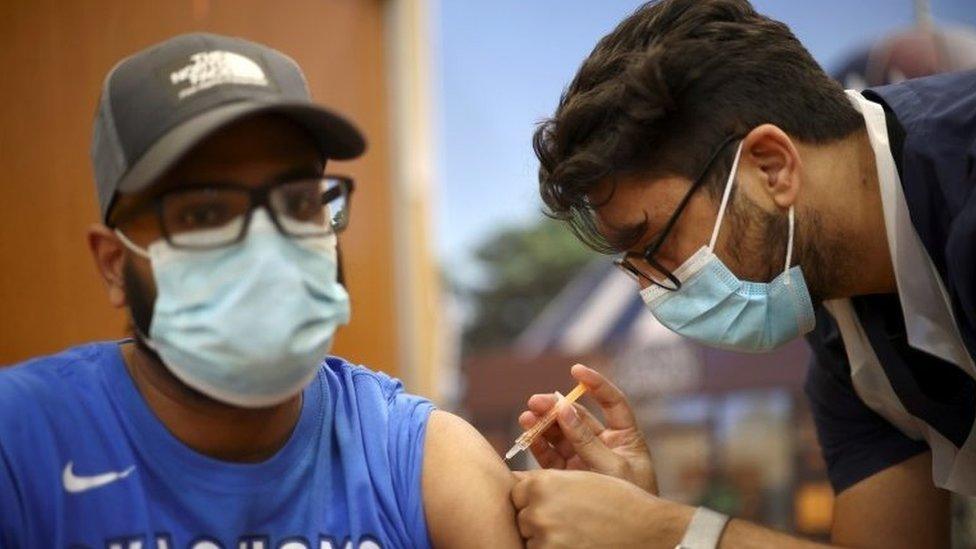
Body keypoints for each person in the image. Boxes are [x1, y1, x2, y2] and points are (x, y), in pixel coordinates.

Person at [0, 33, 522, 549]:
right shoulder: (22, 444)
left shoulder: (412, 457)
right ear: (114, 265)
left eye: (297, 203)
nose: (266, 245)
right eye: (204, 213)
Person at [512, 0, 976, 547]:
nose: (651, 290)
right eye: (632, 268)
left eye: (654, 244)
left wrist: (661, 533)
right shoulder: (847, 337)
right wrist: (635, 519)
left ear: (771, 166)